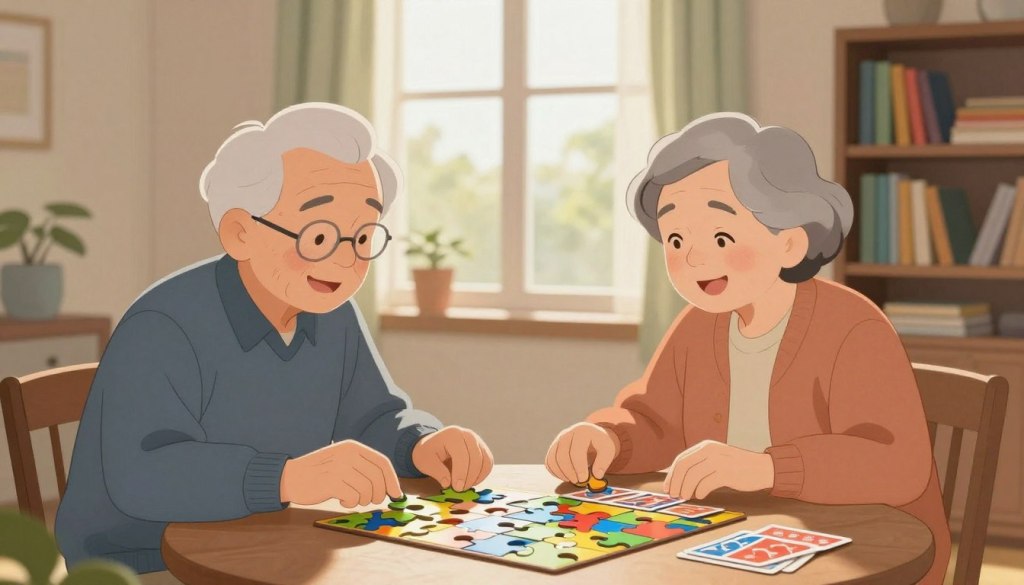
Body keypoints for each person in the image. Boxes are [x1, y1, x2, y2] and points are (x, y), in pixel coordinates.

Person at [56, 103, 493, 574]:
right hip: (142, 561)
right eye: (320, 237)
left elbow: (372, 418)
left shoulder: (333, 313)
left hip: (267, 540)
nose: (347, 261)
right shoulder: (162, 325)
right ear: (241, 232)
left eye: (363, 237)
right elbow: (143, 475)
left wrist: (420, 443)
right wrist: (286, 478)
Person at [545, 112, 950, 584]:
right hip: (733, 547)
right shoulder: (697, 327)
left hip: (865, 558)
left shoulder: (854, 327)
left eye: (721, 236)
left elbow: (896, 463)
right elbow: (655, 421)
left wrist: (766, 469)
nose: (693, 257)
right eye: (676, 238)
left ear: (791, 244)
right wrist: (609, 439)